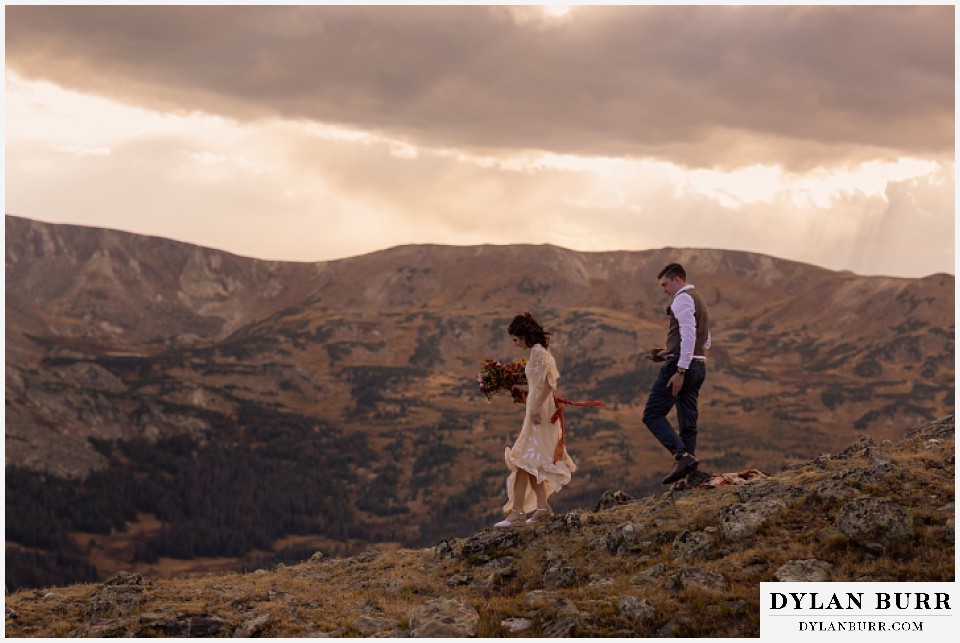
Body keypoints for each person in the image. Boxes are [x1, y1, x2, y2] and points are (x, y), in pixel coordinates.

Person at [495, 313, 577, 527]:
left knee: (522, 460)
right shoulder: (536, 352)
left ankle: (518, 512)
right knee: (531, 460)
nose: (514, 345)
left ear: (524, 336)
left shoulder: (540, 353)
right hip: (535, 407)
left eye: (515, 340)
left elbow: (550, 383)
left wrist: (538, 407)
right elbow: (537, 382)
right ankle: (542, 508)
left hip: (539, 411)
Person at [642, 263, 711, 485]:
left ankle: (681, 456)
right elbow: (705, 338)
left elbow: (689, 334)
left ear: (677, 280)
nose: (664, 290)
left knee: (652, 414)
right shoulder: (698, 298)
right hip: (699, 365)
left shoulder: (681, 299)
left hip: (683, 367)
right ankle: (689, 476)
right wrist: (668, 352)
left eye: (665, 284)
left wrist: (680, 368)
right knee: (688, 420)